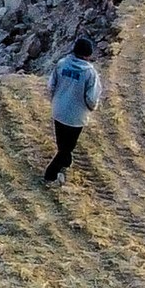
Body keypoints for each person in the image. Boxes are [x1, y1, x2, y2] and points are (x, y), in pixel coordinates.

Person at [42, 37, 103, 183]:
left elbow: (50, 86)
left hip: (58, 111)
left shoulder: (62, 64)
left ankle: (66, 164)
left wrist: (56, 101)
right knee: (67, 148)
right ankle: (50, 175)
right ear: (88, 55)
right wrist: (90, 109)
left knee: (62, 143)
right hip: (76, 117)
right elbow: (92, 98)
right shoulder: (90, 73)